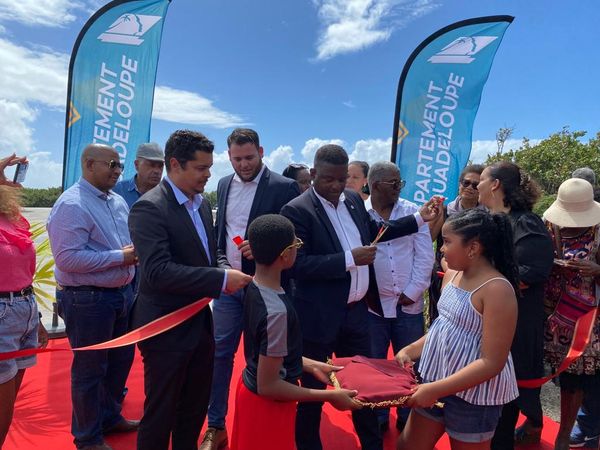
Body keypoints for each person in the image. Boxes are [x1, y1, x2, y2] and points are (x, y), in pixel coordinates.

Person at [280, 144, 440, 450]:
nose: (337, 186)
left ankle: (372, 445)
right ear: (313, 174)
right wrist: (349, 258)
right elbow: (297, 265)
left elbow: (378, 229)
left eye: (343, 179)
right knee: (313, 393)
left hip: (357, 315)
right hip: (319, 318)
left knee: (365, 390)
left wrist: (418, 219)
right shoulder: (296, 210)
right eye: (329, 180)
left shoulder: (352, 200)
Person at [129, 130, 252, 450]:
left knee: (194, 407)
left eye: (210, 168)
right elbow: (157, 272)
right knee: (161, 411)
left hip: (199, 322)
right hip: (165, 327)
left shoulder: (200, 204)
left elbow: (210, 255)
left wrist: (222, 268)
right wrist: (221, 281)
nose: (209, 175)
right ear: (175, 164)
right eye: (201, 168)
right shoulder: (150, 208)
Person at [200, 128, 301, 450]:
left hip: (266, 288)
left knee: (265, 359)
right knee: (219, 354)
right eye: (236, 159)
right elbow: (221, 231)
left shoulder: (284, 187)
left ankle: (268, 421)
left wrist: (265, 252)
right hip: (230, 286)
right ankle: (216, 426)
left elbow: (295, 238)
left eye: (249, 157)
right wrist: (221, 263)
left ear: (261, 151)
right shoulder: (223, 184)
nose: (243, 164)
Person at [230, 214, 360, 450]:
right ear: (285, 255)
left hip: (250, 391)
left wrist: (310, 365)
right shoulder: (276, 312)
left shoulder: (255, 286)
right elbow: (269, 385)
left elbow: (267, 353)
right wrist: (330, 397)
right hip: (267, 407)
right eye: (296, 245)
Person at [396, 208, 520, 450]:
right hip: (434, 380)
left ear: (473, 248)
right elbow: (446, 327)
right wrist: (410, 350)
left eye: (447, 242)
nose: (441, 249)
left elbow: (492, 362)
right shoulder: (452, 275)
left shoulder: (497, 290)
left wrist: (435, 389)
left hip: (474, 399)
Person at [47, 144, 139, 450]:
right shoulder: (71, 204)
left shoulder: (116, 201)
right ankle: (87, 438)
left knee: (119, 363)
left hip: (121, 295)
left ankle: (109, 418)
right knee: (90, 370)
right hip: (87, 301)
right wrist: (120, 258)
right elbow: (68, 259)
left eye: (120, 166)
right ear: (88, 164)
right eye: (111, 164)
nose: (117, 171)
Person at [477, 161, 554, 449]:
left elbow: (532, 272)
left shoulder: (526, 223)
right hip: (492, 320)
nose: (477, 186)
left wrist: (481, 279)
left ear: (495, 184)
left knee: (506, 398)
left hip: (516, 325)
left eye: (481, 180)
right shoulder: (492, 221)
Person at [364, 162, 434, 433]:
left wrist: (412, 291)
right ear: (376, 184)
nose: (399, 188)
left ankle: (407, 416)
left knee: (410, 366)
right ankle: (379, 417)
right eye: (394, 183)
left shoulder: (411, 211)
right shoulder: (360, 212)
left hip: (409, 304)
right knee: (376, 365)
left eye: (399, 183)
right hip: (373, 306)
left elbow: (425, 255)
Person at [542, 178, 600, 450]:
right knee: (564, 376)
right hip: (555, 313)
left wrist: (597, 270)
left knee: (582, 376)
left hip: (590, 318)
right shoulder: (550, 225)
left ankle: (568, 434)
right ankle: (570, 430)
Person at [0, 153, 48, 448]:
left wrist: (38, 320)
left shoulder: (13, 220)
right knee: (1, 413)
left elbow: (25, 275)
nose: (12, 182)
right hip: (2, 318)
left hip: (24, 312)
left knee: (8, 410)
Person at [428, 164, 485, 322]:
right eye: (466, 183)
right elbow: (430, 238)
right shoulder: (445, 210)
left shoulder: (487, 216)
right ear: (460, 184)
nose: (470, 188)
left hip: (474, 278)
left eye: (476, 184)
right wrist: (435, 218)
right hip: (444, 274)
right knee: (440, 319)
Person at [113, 142, 164, 208]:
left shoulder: (168, 198)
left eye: (160, 166)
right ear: (137, 165)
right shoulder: (117, 190)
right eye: (151, 165)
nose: (157, 171)